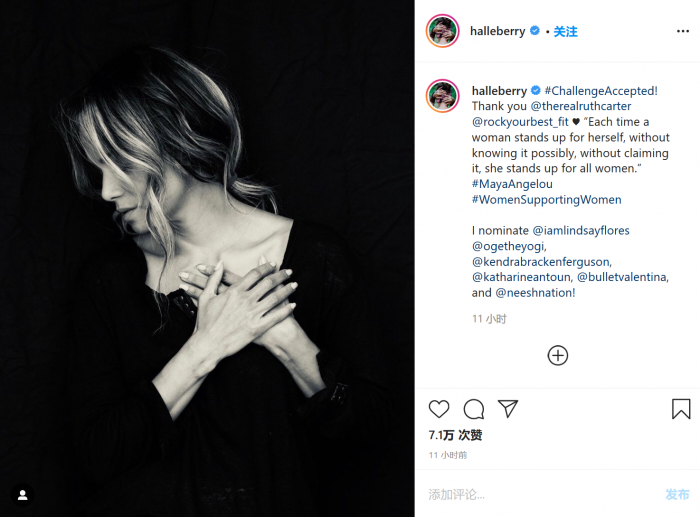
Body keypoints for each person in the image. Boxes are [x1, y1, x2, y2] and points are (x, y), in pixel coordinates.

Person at [57, 45, 390, 517]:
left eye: (121, 163)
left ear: (177, 140)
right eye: (98, 169)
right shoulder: (108, 281)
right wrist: (206, 345)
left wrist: (285, 337)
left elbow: (372, 435)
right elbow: (96, 459)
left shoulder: (317, 258)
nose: (107, 190)